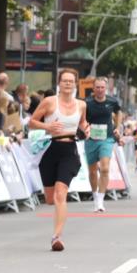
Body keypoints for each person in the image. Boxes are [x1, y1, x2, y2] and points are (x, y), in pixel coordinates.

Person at [27, 67, 88, 251]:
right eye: (65, 81)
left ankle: (56, 237)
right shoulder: (49, 102)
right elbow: (31, 123)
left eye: (71, 81)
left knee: (61, 194)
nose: (68, 84)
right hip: (50, 149)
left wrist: (86, 130)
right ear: (59, 83)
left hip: (70, 150)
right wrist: (48, 127)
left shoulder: (81, 105)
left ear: (75, 84)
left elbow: (83, 122)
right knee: (50, 199)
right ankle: (56, 231)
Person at [83, 77, 122, 213]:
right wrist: (85, 128)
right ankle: (94, 196)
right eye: (97, 87)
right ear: (93, 89)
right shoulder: (87, 102)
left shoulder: (112, 101)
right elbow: (81, 118)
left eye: (102, 87)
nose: (100, 90)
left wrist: (118, 126)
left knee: (104, 168)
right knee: (92, 171)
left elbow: (119, 112)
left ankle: (100, 199)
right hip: (91, 139)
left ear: (106, 88)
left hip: (107, 138)